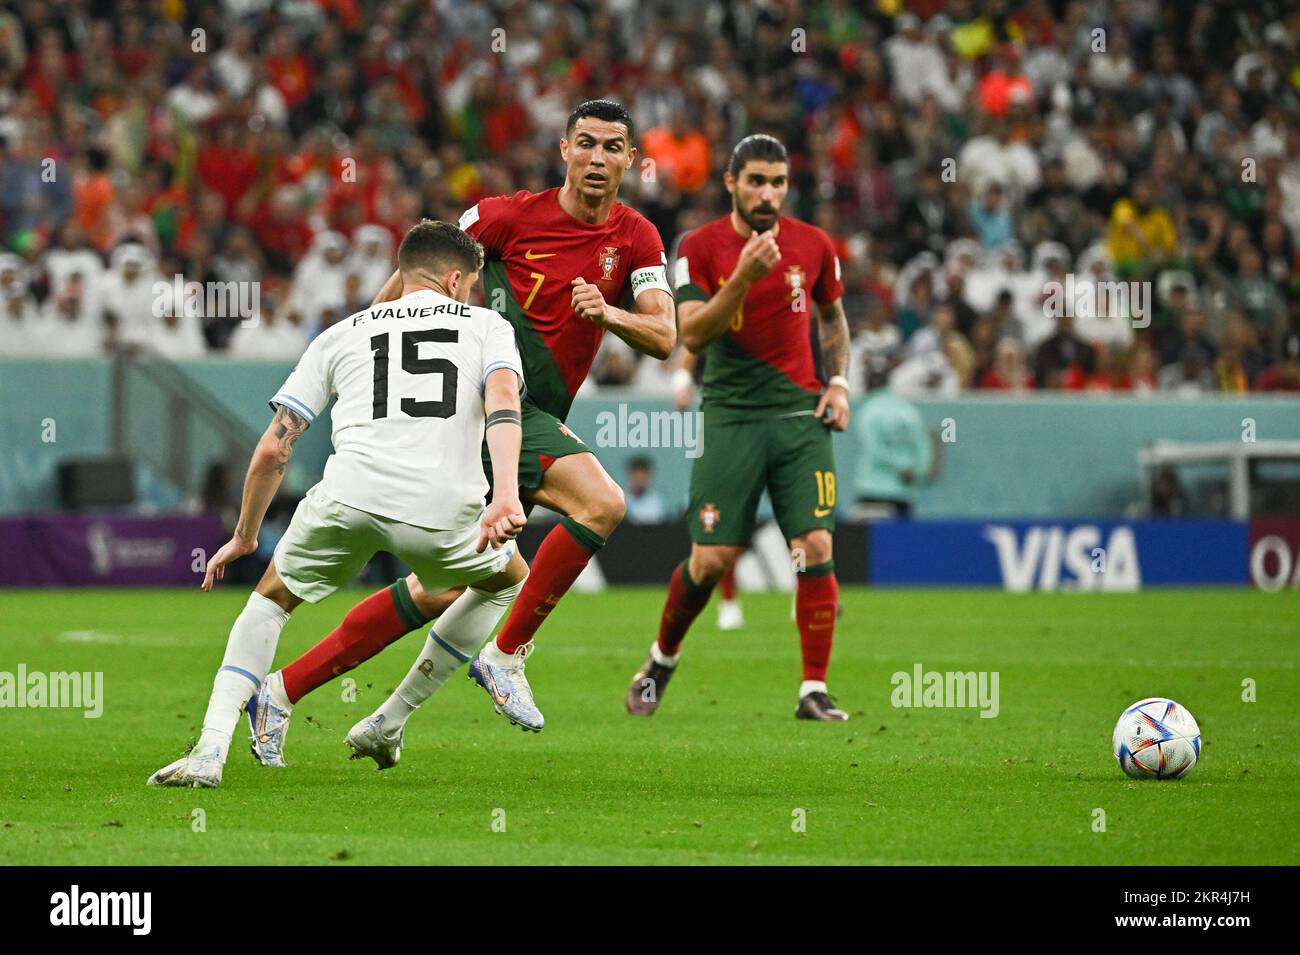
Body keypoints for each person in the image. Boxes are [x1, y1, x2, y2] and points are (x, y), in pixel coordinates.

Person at [249, 100, 674, 742]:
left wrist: (610, 315)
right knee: (602, 504)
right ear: (563, 149)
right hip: (487, 406)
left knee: (440, 593)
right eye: (585, 143)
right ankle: (506, 656)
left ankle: (291, 694)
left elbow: (666, 334)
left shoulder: (637, 237)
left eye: (613, 147)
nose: (597, 157)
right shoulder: (505, 217)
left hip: (524, 423)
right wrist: (371, 344)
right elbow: (419, 270)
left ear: (630, 160)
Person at [148, 220, 528, 787]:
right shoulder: (487, 326)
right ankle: (390, 719)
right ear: (454, 280)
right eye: (469, 285)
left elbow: (275, 446)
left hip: (349, 495)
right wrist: (505, 494)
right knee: (508, 579)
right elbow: (501, 398)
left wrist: (247, 534)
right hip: (442, 510)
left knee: (270, 600)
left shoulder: (339, 333)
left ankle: (208, 751)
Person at [625, 134, 852, 721]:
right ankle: (661, 660)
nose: (768, 193)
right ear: (731, 183)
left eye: (778, 182)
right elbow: (693, 333)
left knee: (814, 546)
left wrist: (839, 383)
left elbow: (832, 319)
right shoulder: (699, 247)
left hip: (801, 418)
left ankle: (813, 689)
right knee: (711, 561)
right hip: (731, 418)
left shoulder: (814, 244)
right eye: (756, 181)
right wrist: (744, 277)